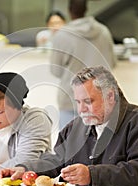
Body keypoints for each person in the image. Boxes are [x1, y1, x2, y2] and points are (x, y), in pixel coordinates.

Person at [0, 66, 138, 186]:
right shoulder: (76, 128)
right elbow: (57, 160)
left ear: (110, 96)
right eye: (78, 102)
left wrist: (92, 175)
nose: (81, 110)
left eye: (88, 101)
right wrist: (25, 169)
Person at [50, 0, 117, 129]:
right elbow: (112, 63)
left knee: (69, 146)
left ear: (69, 11)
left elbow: (55, 71)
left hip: (71, 100)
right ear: (86, 9)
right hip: (100, 100)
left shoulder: (62, 35)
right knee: (100, 145)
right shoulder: (104, 32)